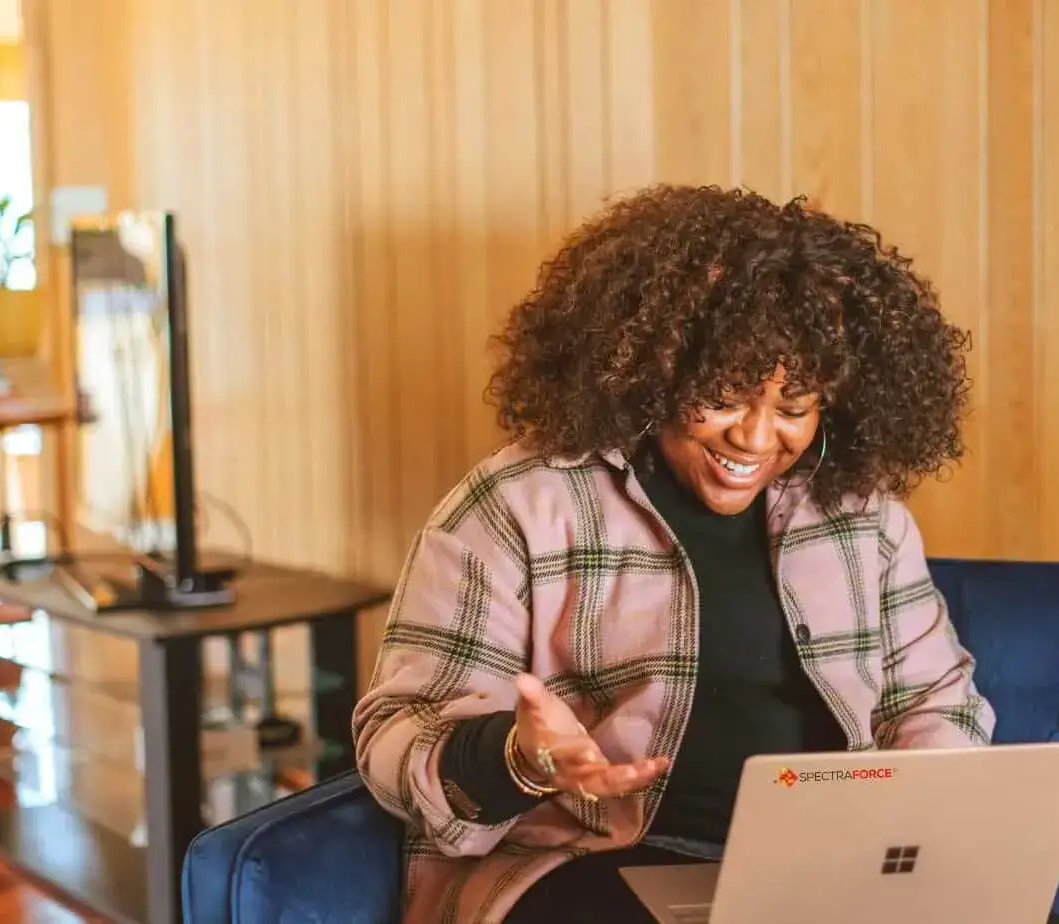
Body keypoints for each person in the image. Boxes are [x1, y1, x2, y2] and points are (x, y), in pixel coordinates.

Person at [353, 184, 995, 924]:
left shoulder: (863, 516)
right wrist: (516, 758)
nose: (755, 440)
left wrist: (910, 832)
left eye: (792, 410)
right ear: (656, 370)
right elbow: (395, 730)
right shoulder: (518, 506)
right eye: (723, 396)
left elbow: (935, 700)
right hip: (587, 865)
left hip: (819, 875)